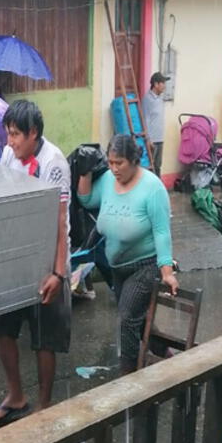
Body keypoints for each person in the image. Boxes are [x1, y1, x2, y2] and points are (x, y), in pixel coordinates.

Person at [0, 100, 72, 427]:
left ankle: (44, 404)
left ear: (33, 133)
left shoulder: (55, 163)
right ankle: (15, 395)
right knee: (4, 329)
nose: (9, 142)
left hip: (46, 258)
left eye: (15, 135)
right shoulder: (9, 155)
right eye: (7, 134)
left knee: (44, 337)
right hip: (15, 255)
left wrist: (57, 274)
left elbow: (60, 222)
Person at [77, 134, 177, 374]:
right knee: (137, 318)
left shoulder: (152, 188)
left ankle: (129, 378)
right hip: (118, 266)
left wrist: (167, 271)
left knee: (126, 318)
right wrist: (85, 171)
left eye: (119, 163)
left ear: (134, 160)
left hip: (145, 264)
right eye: (110, 162)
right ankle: (166, 354)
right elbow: (86, 199)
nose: (113, 169)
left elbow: (162, 232)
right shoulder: (107, 182)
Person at [142, 72, 169, 178]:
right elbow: (145, 119)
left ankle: (158, 190)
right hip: (152, 140)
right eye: (163, 83)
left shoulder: (160, 99)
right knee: (150, 167)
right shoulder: (148, 99)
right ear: (156, 84)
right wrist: (148, 139)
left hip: (160, 138)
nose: (164, 86)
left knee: (158, 166)